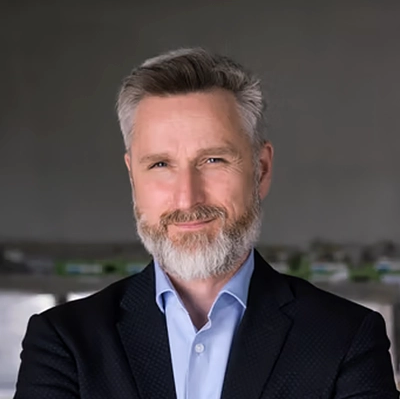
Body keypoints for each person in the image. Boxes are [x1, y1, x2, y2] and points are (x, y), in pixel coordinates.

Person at [14, 48, 399, 399]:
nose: (188, 199)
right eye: (160, 164)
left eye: (213, 160)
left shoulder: (347, 338)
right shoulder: (63, 342)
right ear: (133, 176)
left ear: (261, 169)